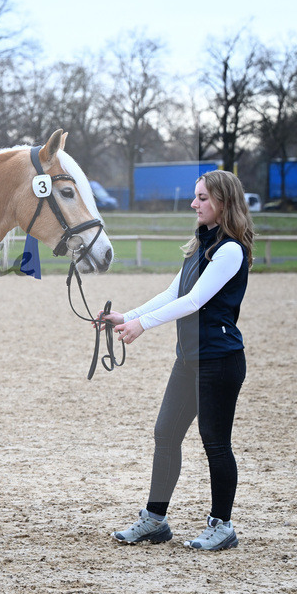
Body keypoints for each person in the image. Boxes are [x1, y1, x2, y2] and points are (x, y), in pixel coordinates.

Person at [103, 170, 254, 551]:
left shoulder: (230, 250)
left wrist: (142, 326)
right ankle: (155, 520)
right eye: (195, 196)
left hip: (219, 360)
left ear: (222, 202)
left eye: (202, 197)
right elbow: (174, 291)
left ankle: (223, 526)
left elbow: (194, 301)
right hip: (189, 359)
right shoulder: (200, 245)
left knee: (215, 443)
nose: (194, 203)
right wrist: (128, 315)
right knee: (165, 433)